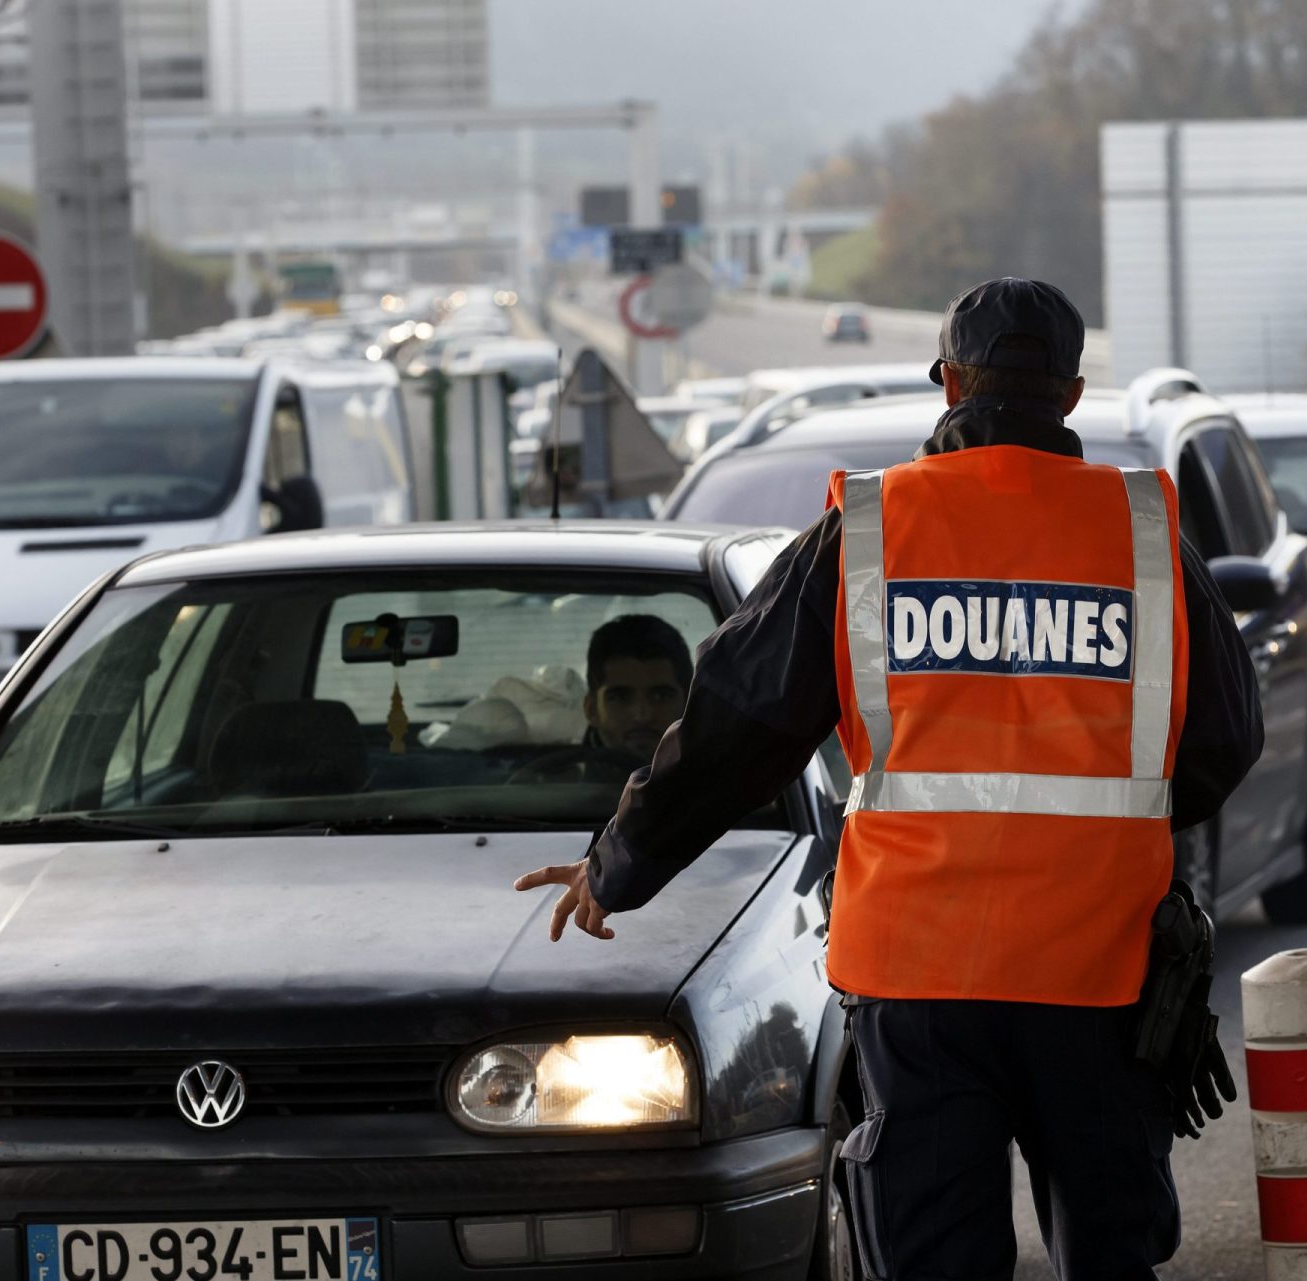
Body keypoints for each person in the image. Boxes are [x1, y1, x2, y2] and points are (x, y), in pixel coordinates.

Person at [516, 278, 1263, 1279]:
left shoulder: (871, 533)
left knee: (931, 1257)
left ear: (949, 382)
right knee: (1112, 1252)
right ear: (1073, 396)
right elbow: (1225, 739)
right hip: (1098, 968)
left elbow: (739, 724)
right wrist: (1115, 837)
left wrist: (617, 864)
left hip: (921, 979)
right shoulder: (1141, 536)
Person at [512, 615, 694, 783]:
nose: (642, 715)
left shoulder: (717, 788)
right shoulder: (551, 792)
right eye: (620, 698)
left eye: (660, 696)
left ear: (688, 703)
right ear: (591, 709)